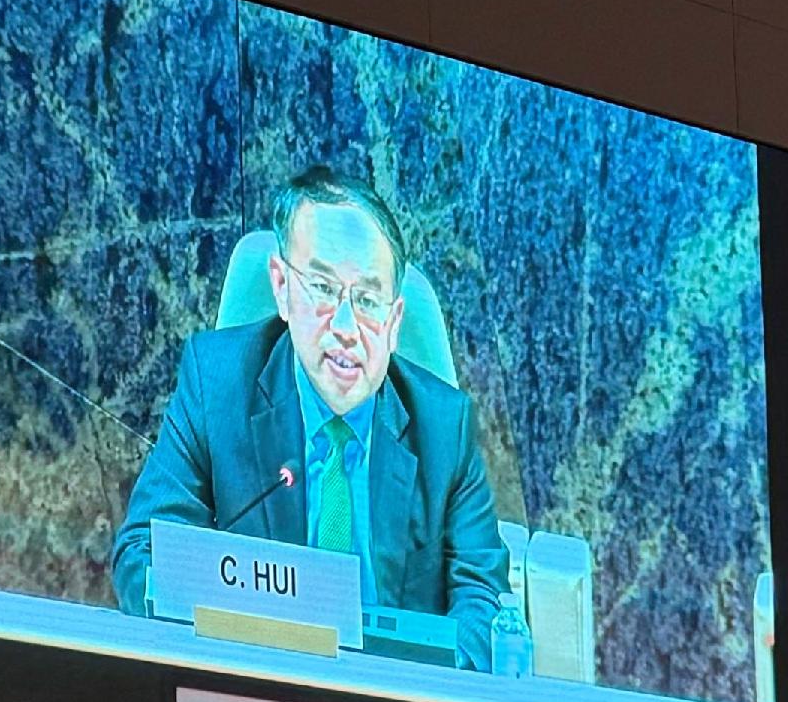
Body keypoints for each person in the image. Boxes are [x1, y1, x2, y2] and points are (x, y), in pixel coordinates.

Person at [108, 169, 509, 668]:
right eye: (321, 288)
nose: (344, 328)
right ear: (281, 287)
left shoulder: (443, 427)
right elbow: (143, 554)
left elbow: (483, 602)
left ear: (395, 319)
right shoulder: (218, 384)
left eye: (366, 301)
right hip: (245, 687)